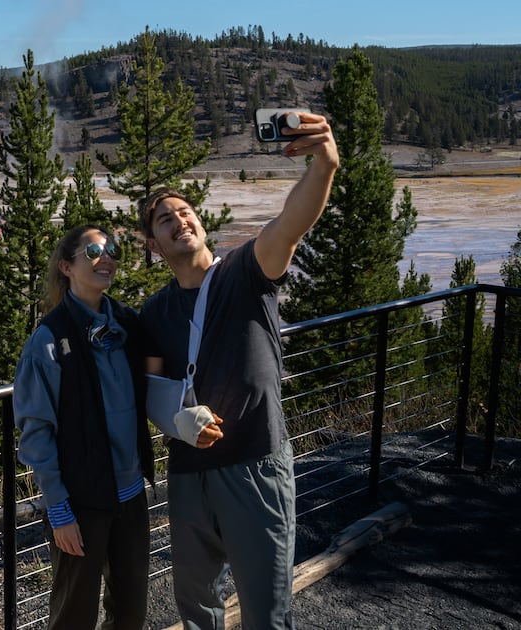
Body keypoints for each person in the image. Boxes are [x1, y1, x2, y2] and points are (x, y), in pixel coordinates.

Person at [138, 111, 339, 630]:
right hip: (187, 478)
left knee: (266, 613)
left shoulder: (246, 272)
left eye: (185, 212)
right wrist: (173, 423)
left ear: (201, 224)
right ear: (153, 246)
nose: (180, 220)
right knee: (196, 611)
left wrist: (323, 167)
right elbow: (153, 386)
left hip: (255, 465)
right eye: (166, 219)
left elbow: (291, 223)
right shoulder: (153, 313)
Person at [12, 225, 156, 630]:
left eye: (111, 249)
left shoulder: (127, 325)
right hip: (80, 502)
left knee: (130, 612)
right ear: (66, 266)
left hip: (130, 497)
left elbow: (158, 383)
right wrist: (59, 511)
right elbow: (36, 432)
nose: (105, 256)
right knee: (73, 616)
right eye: (93, 250)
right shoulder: (49, 339)